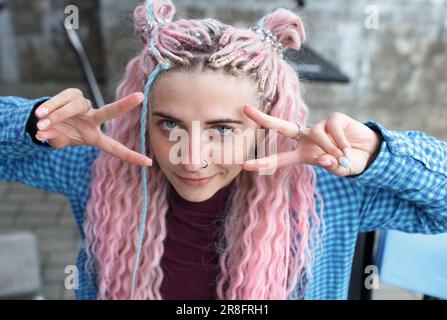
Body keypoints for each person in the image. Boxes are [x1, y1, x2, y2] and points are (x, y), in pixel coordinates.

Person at [1, 0, 446, 300]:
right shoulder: (103, 166)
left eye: (222, 129)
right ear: (142, 120)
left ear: (261, 126)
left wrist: (382, 156)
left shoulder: (328, 190)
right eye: (170, 124)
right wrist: (31, 122)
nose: (192, 158)